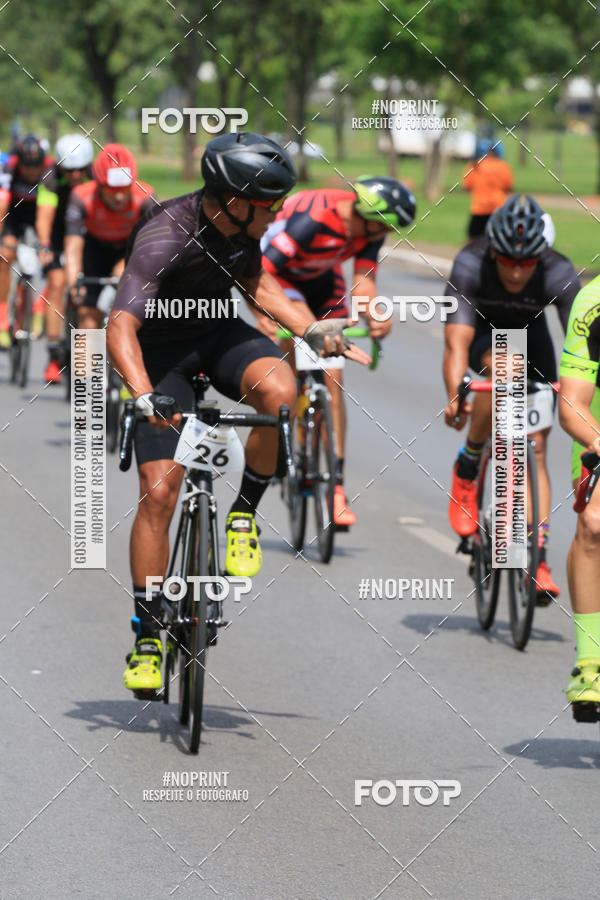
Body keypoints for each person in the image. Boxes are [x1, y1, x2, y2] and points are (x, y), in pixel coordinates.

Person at [105, 133, 370, 694]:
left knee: (280, 390)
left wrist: (309, 328)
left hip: (216, 335)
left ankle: (243, 514)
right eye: (268, 205)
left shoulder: (241, 228)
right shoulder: (164, 236)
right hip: (159, 353)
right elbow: (120, 325)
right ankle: (149, 636)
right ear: (231, 199)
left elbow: (256, 285)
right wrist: (144, 394)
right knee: (159, 493)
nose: (276, 215)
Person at [443, 194, 580, 601]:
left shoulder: (558, 271)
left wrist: (575, 390)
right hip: (483, 337)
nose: (517, 272)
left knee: (536, 447)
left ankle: (536, 559)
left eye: (526, 263)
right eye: (507, 262)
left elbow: (583, 342)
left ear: (541, 255)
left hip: (531, 336)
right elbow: (455, 343)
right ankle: (469, 463)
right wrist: (453, 393)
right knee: (502, 365)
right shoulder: (470, 263)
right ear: (493, 252)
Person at [259, 175, 416, 526]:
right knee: (299, 338)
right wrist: (264, 316)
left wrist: (377, 315)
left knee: (333, 374)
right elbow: (262, 272)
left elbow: (363, 282)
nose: (381, 236)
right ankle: (286, 425)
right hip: (280, 281)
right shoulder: (311, 220)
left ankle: (337, 488)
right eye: (380, 229)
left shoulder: (372, 227)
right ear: (365, 216)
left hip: (322, 280)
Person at [559, 276, 600, 706]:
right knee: (594, 521)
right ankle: (589, 662)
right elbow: (573, 404)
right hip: (597, 417)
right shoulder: (593, 302)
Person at [64, 143, 155, 329]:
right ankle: (86, 357)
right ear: (98, 185)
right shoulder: (81, 197)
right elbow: (72, 246)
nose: (119, 197)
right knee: (88, 317)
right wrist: (74, 283)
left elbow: (152, 245)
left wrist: (125, 265)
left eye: (125, 189)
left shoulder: (145, 197)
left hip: (129, 250)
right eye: (111, 190)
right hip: (95, 250)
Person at [35, 134, 94, 382]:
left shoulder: (97, 176)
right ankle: (52, 356)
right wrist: (45, 245)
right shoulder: (49, 178)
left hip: (89, 234)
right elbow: (44, 216)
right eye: (69, 170)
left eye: (80, 170)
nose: (75, 176)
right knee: (57, 284)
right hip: (59, 236)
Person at [0, 134, 55, 349]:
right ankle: (3, 320)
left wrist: (44, 244)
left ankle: (39, 306)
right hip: (13, 212)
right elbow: (2, 205)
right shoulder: (8, 167)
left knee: (53, 258)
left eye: (36, 167)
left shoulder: (50, 170)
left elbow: (46, 213)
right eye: (26, 167)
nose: (31, 172)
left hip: (40, 212)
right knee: (5, 256)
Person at [463, 141, 514, 239]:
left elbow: (467, 186)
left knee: (472, 239)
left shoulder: (475, 165)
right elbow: (508, 187)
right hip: (497, 208)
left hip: (479, 208)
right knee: (498, 239)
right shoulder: (503, 166)